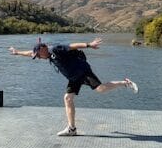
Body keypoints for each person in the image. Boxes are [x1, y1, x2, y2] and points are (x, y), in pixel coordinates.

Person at [9, 37, 138, 136]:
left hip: (83, 72)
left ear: (43, 49)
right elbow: (29, 53)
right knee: (68, 98)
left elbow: (72, 46)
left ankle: (125, 82)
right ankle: (71, 129)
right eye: (37, 56)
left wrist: (89, 45)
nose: (38, 58)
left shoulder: (56, 49)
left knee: (101, 89)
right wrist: (17, 52)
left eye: (38, 55)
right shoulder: (46, 54)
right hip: (74, 78)